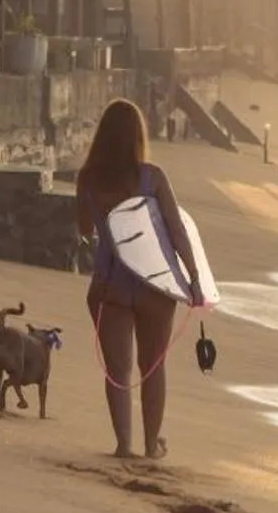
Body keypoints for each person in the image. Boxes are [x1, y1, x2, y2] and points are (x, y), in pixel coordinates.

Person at [77, 96, 202, 459]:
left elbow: (84, 229)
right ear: (137, 137)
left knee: (117, 370)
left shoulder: (87, 178)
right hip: (154, 283)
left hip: (110, 284)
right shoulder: (152, 177)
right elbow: (178, 231)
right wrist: (194, 279)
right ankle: (151, 446)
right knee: (153, 367)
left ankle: (123, 445)